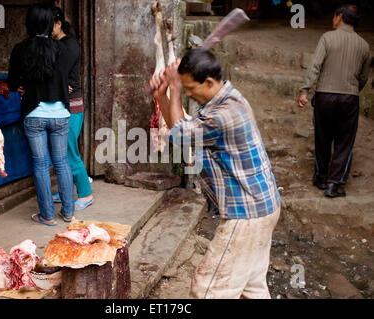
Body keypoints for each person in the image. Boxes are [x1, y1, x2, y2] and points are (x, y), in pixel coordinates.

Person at [149, 48, 281, 299]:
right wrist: (162, 96)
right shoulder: (226, 100)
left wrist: (174, 88)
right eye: (184, 88)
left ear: (209, 82)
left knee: (207, 290)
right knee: (251, 290)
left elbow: (181, 136)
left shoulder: (224, 115)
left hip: (247, 214)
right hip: (261, 208)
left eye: (190, 88)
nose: (188, 93)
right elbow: (184, 128)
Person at [8, 4, 75, 226]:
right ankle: (68, 212)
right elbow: (62, 78)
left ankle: (47, 215)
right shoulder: (62, 49)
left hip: (34, 113)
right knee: (62, 161)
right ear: (50, 23)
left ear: (29, 23)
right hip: (60, 113)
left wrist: (21, 86)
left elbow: (12, 83)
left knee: (40, 164)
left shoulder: (20, 49)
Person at [297, 5, 371, 198]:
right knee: (344, 142)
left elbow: (315, 66)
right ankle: (334, 184)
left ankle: (321, 177)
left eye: (334, 17)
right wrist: (352, 90)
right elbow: (363, 77)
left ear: (339, 17)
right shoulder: (364, 45)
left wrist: (305, 90)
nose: (333, 20)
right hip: (349, 98)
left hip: (324, 97)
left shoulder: (327, 38)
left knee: (322, 138)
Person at [51, 6, 94, 211]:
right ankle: (66, 191)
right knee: (62, 153)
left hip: (72, 106)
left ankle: (86, 194)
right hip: (66, 104)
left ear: (58, 24)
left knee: (69, 152)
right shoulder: (61, 44)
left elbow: (58, 74)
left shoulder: (68, 46)